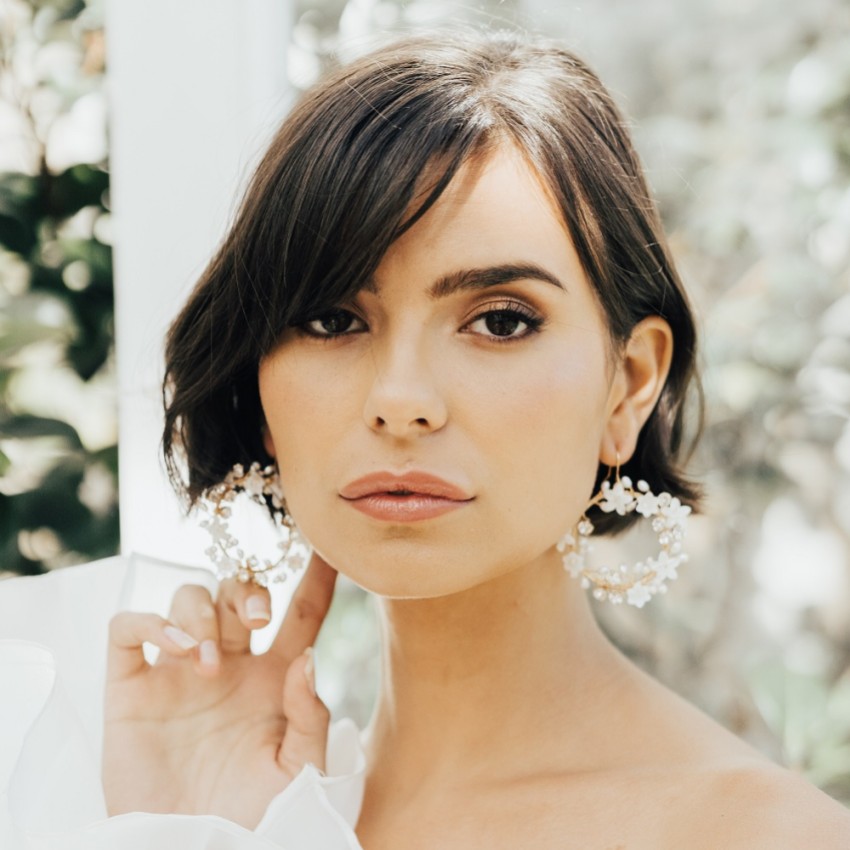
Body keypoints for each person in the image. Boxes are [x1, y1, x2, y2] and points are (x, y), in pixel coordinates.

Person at [1, 28, 848, 850]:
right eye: (332, 319)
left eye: (501, 321)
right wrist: (189, 828)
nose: (400, 402)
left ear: (629, 383)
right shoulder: (246, 804)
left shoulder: (760, 836)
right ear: (258, 388)